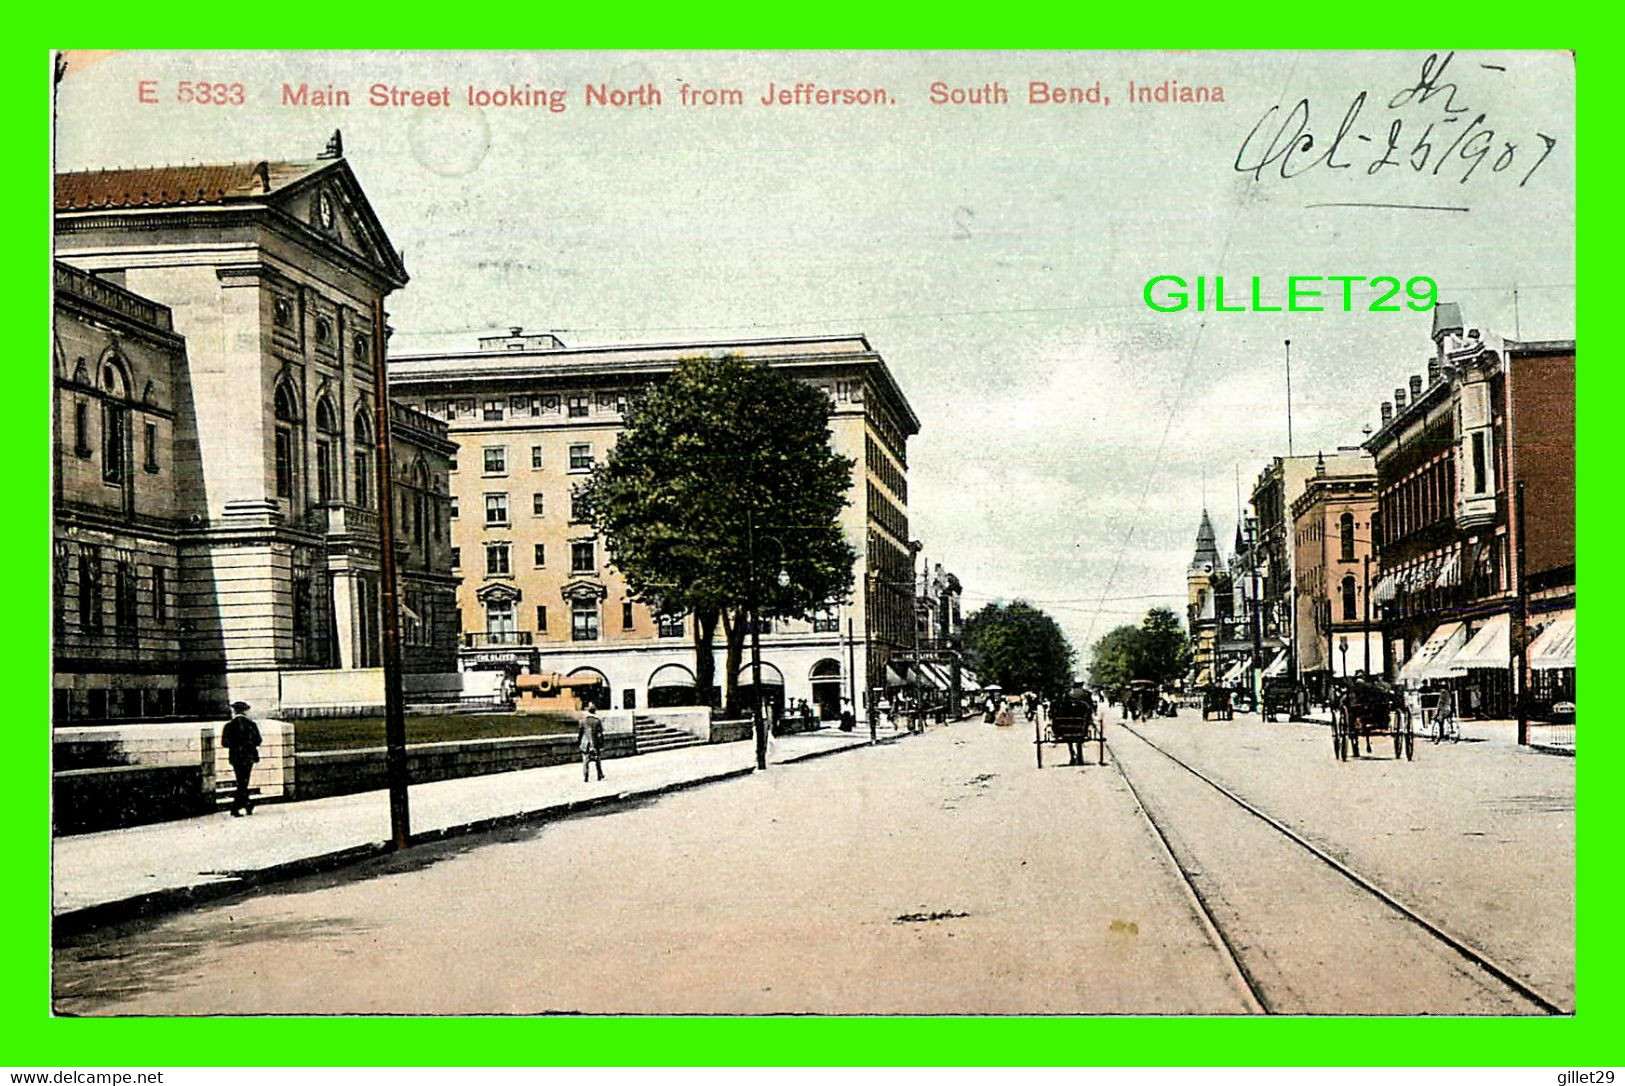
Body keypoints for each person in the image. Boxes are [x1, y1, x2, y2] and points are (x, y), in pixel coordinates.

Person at [221, 701, 262, 816]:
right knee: (243, 782)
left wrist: (236, 745)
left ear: (235, 711)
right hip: (248, 757)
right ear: (245, 711)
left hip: (235, 757)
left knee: (241, 781)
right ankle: (237, 807)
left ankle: (246, 804)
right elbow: (258, 741)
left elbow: (224, 743)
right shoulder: (251, 725)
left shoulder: (229, 726)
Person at [578, 708, 605, 782]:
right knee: (597, 760)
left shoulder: (583, 720)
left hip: (585, 744)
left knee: (585, 762)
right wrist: (601, 744)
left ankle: (586, 777)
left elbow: (580, 733)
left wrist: (580, 742)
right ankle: (599, 775)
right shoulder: (597, 721)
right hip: (595, 743)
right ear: (595, 711)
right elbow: (600, 734)